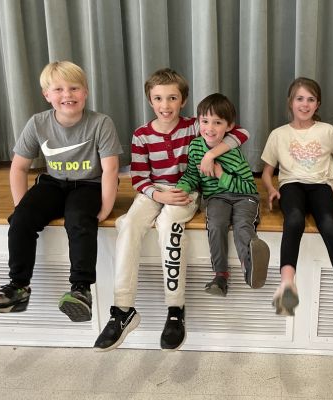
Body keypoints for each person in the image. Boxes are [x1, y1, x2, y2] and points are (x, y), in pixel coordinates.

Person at [93, 68, 250, 352]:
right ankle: (122, 309)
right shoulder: (141, 135)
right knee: (128, 224)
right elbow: (139, 178)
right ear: (150, 101)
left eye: (172, 98)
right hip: (154, 191)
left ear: (183, 100)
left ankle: (175, 310)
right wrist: (158, 193)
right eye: (158, 98)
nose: (165, 105)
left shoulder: (195, 126)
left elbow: (241, 132)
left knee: (168, 226)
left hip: (184, 192)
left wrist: (212, 153)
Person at [0, 61, 122, 323]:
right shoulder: (37, 123)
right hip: (53, 183)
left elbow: (111, 170)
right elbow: (19, 168)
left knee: (79, 220)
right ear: (47, 95)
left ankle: (81, 290)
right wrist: (22, 206)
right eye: (58, 89)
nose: (67, 95)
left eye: (74, 88)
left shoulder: (101, 123)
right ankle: (18, 287)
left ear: (86, 92)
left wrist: (105, 208)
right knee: (20, 220)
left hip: (90, 183)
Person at [261, 77, 333, 325]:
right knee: (293, 220)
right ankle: (287, 285)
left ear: (317, 104)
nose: (305, 104)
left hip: (321, 186)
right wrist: (271, 189)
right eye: (300, 99)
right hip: (291, 185)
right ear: (290, 103)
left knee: (329, 224)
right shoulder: (279, 134)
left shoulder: (326, 131)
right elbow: (268, 171)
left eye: (310, 99)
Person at [176, 93, 270, 297]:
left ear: (229, 127)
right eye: (205, 121)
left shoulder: (233, 154)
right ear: (197, 122)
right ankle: (220, 276)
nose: (210, 128)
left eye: (217, 122)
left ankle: (251, 266)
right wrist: (183, 187)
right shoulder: (195, 147)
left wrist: (220, 174)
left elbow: (248, 187)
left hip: (244, 197)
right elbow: (192, 174)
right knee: (216, 224)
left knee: (242, 226)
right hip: (217, 198)